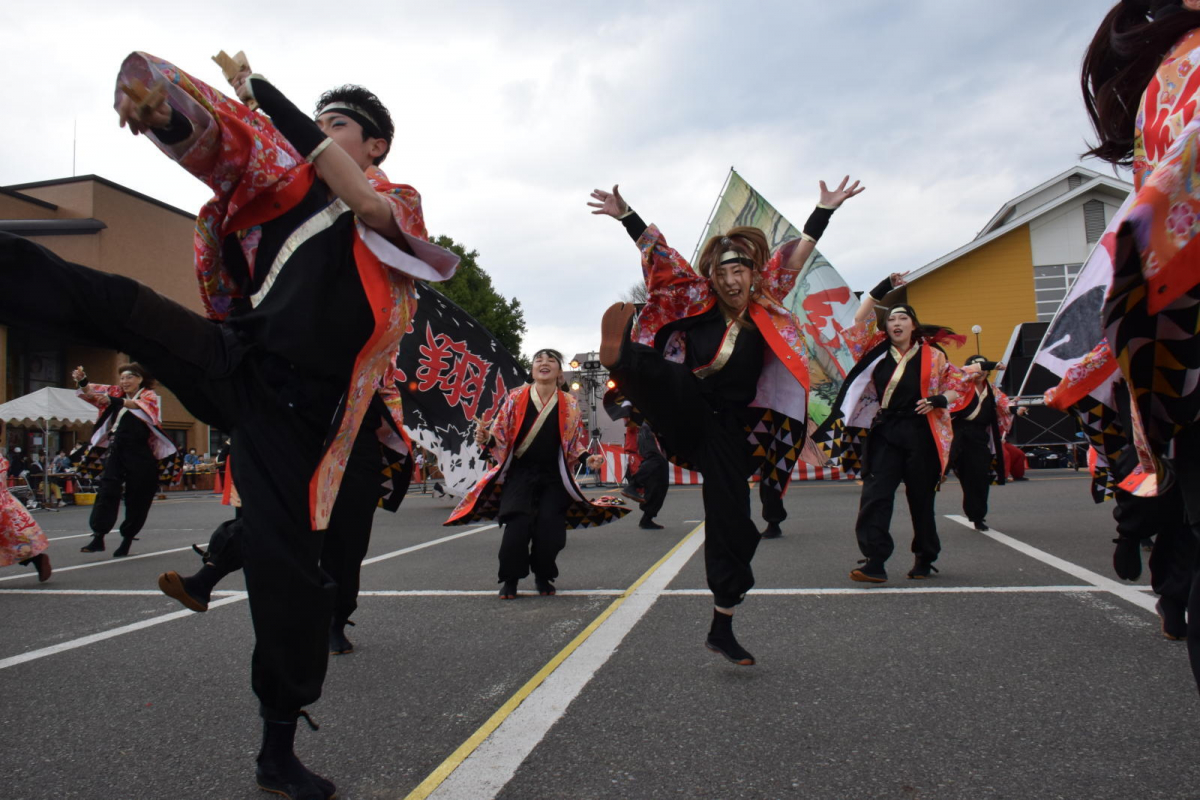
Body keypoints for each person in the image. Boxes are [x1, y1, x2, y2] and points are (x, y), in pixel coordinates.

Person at [0, 51, 458, 799]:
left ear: (375, 144)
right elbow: (229, 144)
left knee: (292, 587)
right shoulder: (279, 186)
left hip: (305, 424)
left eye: (335, 124)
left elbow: (370, 212)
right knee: (118, 302)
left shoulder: (394, 198)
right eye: (316, 122)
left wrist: (269, 97)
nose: (316, 131)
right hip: (239, 366)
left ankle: (277, 751)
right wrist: (167, 111)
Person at [589, 176, 863, 665]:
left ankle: (722, 625)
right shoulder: (695, 299)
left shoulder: (767, 303)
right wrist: (627, 215)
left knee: (734, 525)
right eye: (722, 273)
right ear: (712, 276)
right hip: (686, 408)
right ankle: (620, 357)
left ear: (753, 275)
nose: (732, 282)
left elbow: (795, 259)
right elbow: (663, 257)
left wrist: (824, 210)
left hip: (734, 431)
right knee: (668, 376)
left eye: (740, 273)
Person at [1081, 0, 1200, 692]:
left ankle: (1168, 591)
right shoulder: (1180, 71)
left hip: (1165, 357)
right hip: (1172, 354)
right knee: (1149, 495)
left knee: (1175, 511)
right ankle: (1139, 546)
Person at [814, 273, 978, 583]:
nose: (897, 323)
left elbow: (959, 384)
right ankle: (875, 561)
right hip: (885, 430)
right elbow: (859, 321)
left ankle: (925, 556)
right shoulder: (875, 349)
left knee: (920, 499)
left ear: (914, 325)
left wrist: (941, 398)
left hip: (921, 433)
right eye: (891, 319)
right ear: (886, 328)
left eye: (903, 317)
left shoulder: (935, 355)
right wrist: (882, 289)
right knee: (876, 495)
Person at [447, 349, 618, 598]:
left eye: (551, 361)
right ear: (532, 369)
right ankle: (510, 579)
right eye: (539, 360)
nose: (544, 363)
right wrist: (487, 437)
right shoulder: (516, 397)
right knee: (517, 526)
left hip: (553, 475)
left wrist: (586, 457)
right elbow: (501, 433)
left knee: (551, 530)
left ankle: (543, 574)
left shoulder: (569, 403)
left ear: (560, 373)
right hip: (520, 472)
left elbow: (573, 444)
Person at [74, 364, 176, 556]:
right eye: (122, 378)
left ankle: (127, 539)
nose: (124, 381)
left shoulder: (149, 396)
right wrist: (82, 380)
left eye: (129, 377)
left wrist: (113, 400)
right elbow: (92, 392)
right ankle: (98, 536)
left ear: (140, 379)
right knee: (107, 490)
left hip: (140, 452)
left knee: (137, 495)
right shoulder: (116, 392)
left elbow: (138, 406)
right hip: (116, 447)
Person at [947, 356, 1020, 532]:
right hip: (957, 433)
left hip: (978, 437)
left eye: (983, 369)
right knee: (948, 472)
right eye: (976, 368)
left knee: (978, 477)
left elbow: (1005, 404)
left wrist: (1015, 409)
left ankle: (977, 515)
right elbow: (959, 375)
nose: (979, 373)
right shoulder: (963, 386)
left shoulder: (992, 390)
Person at [0, 454, 51, 582]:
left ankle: (36, 559)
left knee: (10, 540)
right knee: (11, 539)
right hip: (5, 501)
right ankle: (36, 559)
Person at [630, 420, 670, 530]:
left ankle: (647, 518)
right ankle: (633, 484)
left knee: (661, 483)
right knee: (655, 459)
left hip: (656, 432)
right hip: (648, 429)